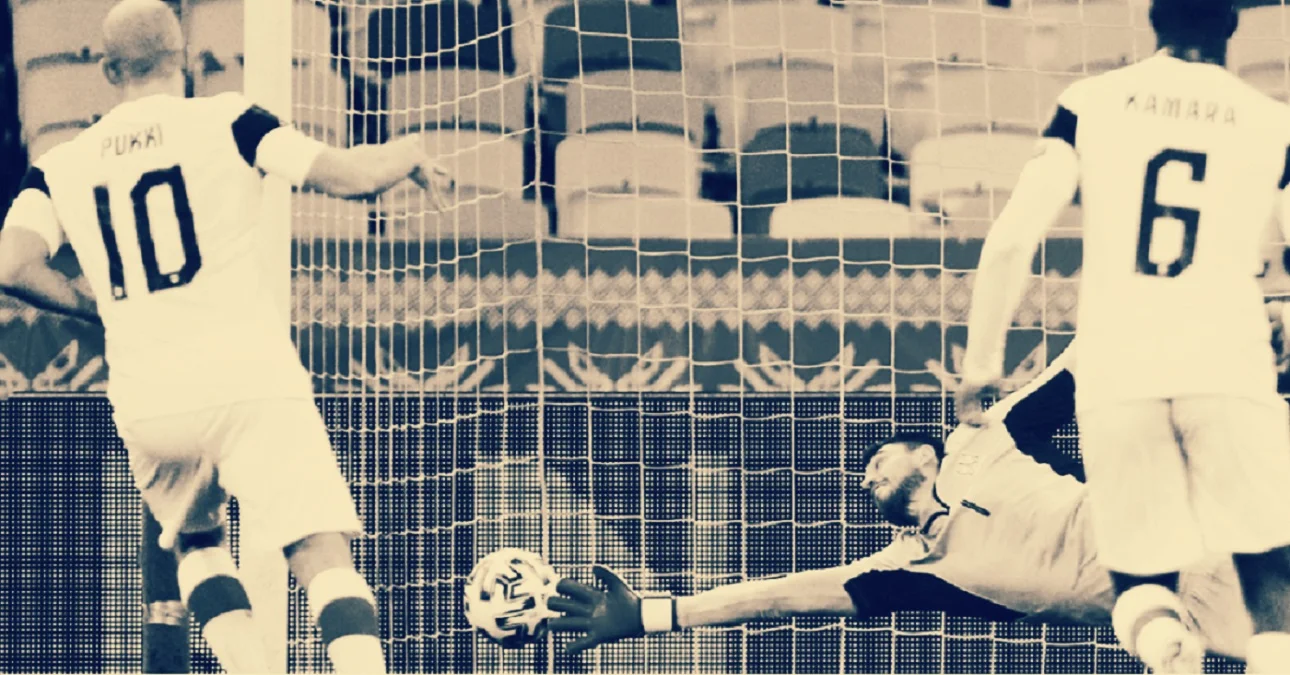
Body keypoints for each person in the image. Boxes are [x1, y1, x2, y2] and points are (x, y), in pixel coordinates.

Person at [0, 1, 449, 672]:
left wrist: (97, 308)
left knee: (197, 542)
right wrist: (406, 152)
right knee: (318, 550)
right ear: (184, 58)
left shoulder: (59, 164)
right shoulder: (232, 120)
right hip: (247, 377)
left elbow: (10, 265)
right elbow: (352, 178)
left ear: (107, 69)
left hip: (150, 399)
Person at [545, 344, 1253, 665]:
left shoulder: (983, 441)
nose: (866, 479)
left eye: (877, 461)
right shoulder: (906, 567)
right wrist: (651, 613)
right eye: (864, 476)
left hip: (1205, 527)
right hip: (1184, 613)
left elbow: (1079, 367)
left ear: (926, 453)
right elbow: (778, 595)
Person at [952, 0, 1290, 671]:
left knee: (1140, 579)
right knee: (1269, 568)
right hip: (1228, 360)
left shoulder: (1090, 101)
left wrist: (981, 366)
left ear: (1154, 22)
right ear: (1231, 29)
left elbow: (1012, 239)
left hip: (1120, 367)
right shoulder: (1272, 121)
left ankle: (1167, 649)